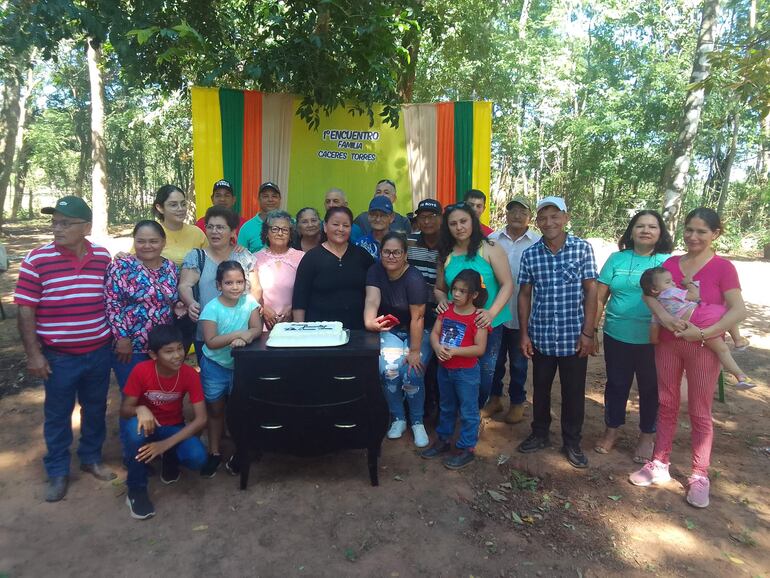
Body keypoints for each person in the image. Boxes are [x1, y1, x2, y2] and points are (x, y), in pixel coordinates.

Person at [629, 208, 748, 508]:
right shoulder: (670, 263)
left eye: (701, 231)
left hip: (703, 347)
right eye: (689, 230)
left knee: (700, 410)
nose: (693, 237)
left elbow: (738, 310)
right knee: (667, 403)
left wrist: (707, 334)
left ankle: (699, 474)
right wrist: (664, 317)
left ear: (715, 234)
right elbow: (648, 294)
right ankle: (659, 463)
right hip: (669, 345)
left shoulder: (723, 268)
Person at [14, 196, 116, 502]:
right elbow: (25, 310)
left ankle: (91, 458)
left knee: (95, 408)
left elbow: (110, 299)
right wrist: (34, 354)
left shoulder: (102, 257)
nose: (56, 228)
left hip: (99, 351)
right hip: (59, 357)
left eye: (65, 223)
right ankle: (57, 471)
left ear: (85, 227)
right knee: (58, 414)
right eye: (54, 222)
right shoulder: (36, 260)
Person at [517, 196, 598, 469]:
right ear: (537, 222)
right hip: (540, 335)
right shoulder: (530, 254)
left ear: (565, 218)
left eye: (554, 216)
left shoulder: (582, 249)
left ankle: (572, 442)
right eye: (543, 217)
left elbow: (592, 291)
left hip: (573, 337)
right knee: (540, 388)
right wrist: (524, 334)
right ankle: (540, 433)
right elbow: (525, 295)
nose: (549, 222)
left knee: (573, 392)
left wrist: (588, 332)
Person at [592, 210, 672, 460]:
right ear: (631, 231)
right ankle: (611, 431)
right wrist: (591, 330)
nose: (646, 230)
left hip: (654, 339)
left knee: (650, 388)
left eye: (652, 226)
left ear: (660, 233)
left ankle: (647, 436)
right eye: (640, 226)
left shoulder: (668, 262)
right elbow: (599, 297)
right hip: (617, 335)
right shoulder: (616, 258)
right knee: (616, 384)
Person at [121, 325, 208, 519]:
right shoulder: (141, 371)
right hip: (146, 426)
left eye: (179, 348)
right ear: (153, 355)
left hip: (172, 427)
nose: (177, 355)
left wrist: (164, 445)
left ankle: (170, 458)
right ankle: (136, 491)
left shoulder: (189, 374)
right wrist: (140, 408)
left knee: (198, 457)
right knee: (133, 434)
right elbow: (124, 410)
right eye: (169, 351)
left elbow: (201, 419)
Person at [434, 202, 514, 409]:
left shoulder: (489, 248)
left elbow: (507, 284)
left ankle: (474, 410)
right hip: (457, 324)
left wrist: (490, 313)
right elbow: (440, 288)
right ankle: (459, 413)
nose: (459, 227)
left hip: (488, 323)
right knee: (455, 370)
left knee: (485, 373)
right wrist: (442, 300)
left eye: (463, 221)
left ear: (473, 221)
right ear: (447, 227)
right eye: (453, 223)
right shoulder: (446, 255)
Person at [364, 233, 431, 448]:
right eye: (387, 252)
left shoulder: (414, 278)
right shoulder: (375, 271)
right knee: (389, 369)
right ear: (380, 252)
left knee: (412, 371)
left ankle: (417, 421)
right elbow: (372, 300)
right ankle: (398, 418)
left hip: (418, 330)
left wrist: (414, 350)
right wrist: (369, 322)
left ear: (405, 255)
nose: (391, 256)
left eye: (396, 252)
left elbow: (418, 317)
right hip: (390, 330)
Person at [198, 261, 262, 477]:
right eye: (229, 282)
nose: (235, 287)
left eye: (239, 282)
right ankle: (214, 452)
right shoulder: (211, 308)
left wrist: (249, 335)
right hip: (215, 366)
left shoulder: (249, 302)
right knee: (216, 410)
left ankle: (241, 451)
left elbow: (256, 327)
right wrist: (238, 335)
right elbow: (211, 341)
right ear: (219, 285)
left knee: (239, 410)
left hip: (241, 368)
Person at [641, 267, 753, 389]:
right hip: (701, 314)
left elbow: (654, 331)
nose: (673, 283)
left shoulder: (657, 309)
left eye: (672, 280)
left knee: (722, 349)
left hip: (693, 325)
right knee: (729, 314)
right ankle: (738, 340)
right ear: (654, 289)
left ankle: (741, 377)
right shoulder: (670, 292)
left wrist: (655, 340)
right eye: (668, 282)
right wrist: (689, 283)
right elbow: (694, 296)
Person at [422, 270, 489, 469]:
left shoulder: (478, 318)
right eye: (454, 290)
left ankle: (466, 448)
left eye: (462, 291)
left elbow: (480, 348)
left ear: (474, 295)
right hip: (445, 370)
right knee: (446, 406)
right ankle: (443, 439)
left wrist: (455, 351)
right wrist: (436, 347)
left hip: (466, 373)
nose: (456, 294)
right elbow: (435, 333)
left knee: (468, 411)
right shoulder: (446, 311)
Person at [105, 220, 182, 390]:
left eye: (153, 241)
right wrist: (122, 338)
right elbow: (112, 304)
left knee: (161, 395)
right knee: (134, 398)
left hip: (163, 347)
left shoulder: (170, 268)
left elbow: (172, 298)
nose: (147, 246)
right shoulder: (120, 267)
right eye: (141, 241)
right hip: (132, 348)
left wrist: (178, 305)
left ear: (163, 242)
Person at [484, 197, 541, 423]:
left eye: (522, 211)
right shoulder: (492, 239)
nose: (517, 215)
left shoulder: (537, 242)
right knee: (494, 360)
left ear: (529, 216)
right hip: (495, 311)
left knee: (519, 361)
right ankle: (494, 399)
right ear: (506, 214)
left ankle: (518, 401)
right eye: (512, 210)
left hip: (523, 314)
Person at [179, 206, 259, 359]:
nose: (214, 231)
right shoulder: (196, 257)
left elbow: (256, 290)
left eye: (221, 227)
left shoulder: (243, 256)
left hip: (242, 334)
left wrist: (252, 323)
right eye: (210, 227)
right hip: (207, 334)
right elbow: (185, 285)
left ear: (233, 231)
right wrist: (190, 303)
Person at [293, 207, 375, 330]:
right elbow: (300, 298)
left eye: (346, 225)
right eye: (335, 224)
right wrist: (299, 331)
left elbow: (374, 289)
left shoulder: (362, 256)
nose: (340, 229)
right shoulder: (311, 258)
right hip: (320, 332)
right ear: (325, 227)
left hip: (357, 331)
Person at [255, 210, 305, 329]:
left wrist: (293, 309)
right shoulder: (255, 258)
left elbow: (305, 291)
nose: (280, 233)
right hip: (262, 321)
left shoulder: (302, 257)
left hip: (293, 322)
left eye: (285, 229)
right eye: (275, 229)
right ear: (267, 232)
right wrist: (264, 309)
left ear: (290, 234)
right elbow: (250, 292)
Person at [152, 184, 207, 267]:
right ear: (160, 208)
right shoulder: (151, 233)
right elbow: (135, 260)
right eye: (173, 205)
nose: (180, 209)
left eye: (183, 204)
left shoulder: (197, 233)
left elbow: (210, 262)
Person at [238, 181, 283, 252]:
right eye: (265, 196)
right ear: (259, 199)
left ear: (280, 199)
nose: (270, 200)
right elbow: (240, 257)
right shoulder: (247, 228)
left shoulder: (291, 224)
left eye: (274, 196)